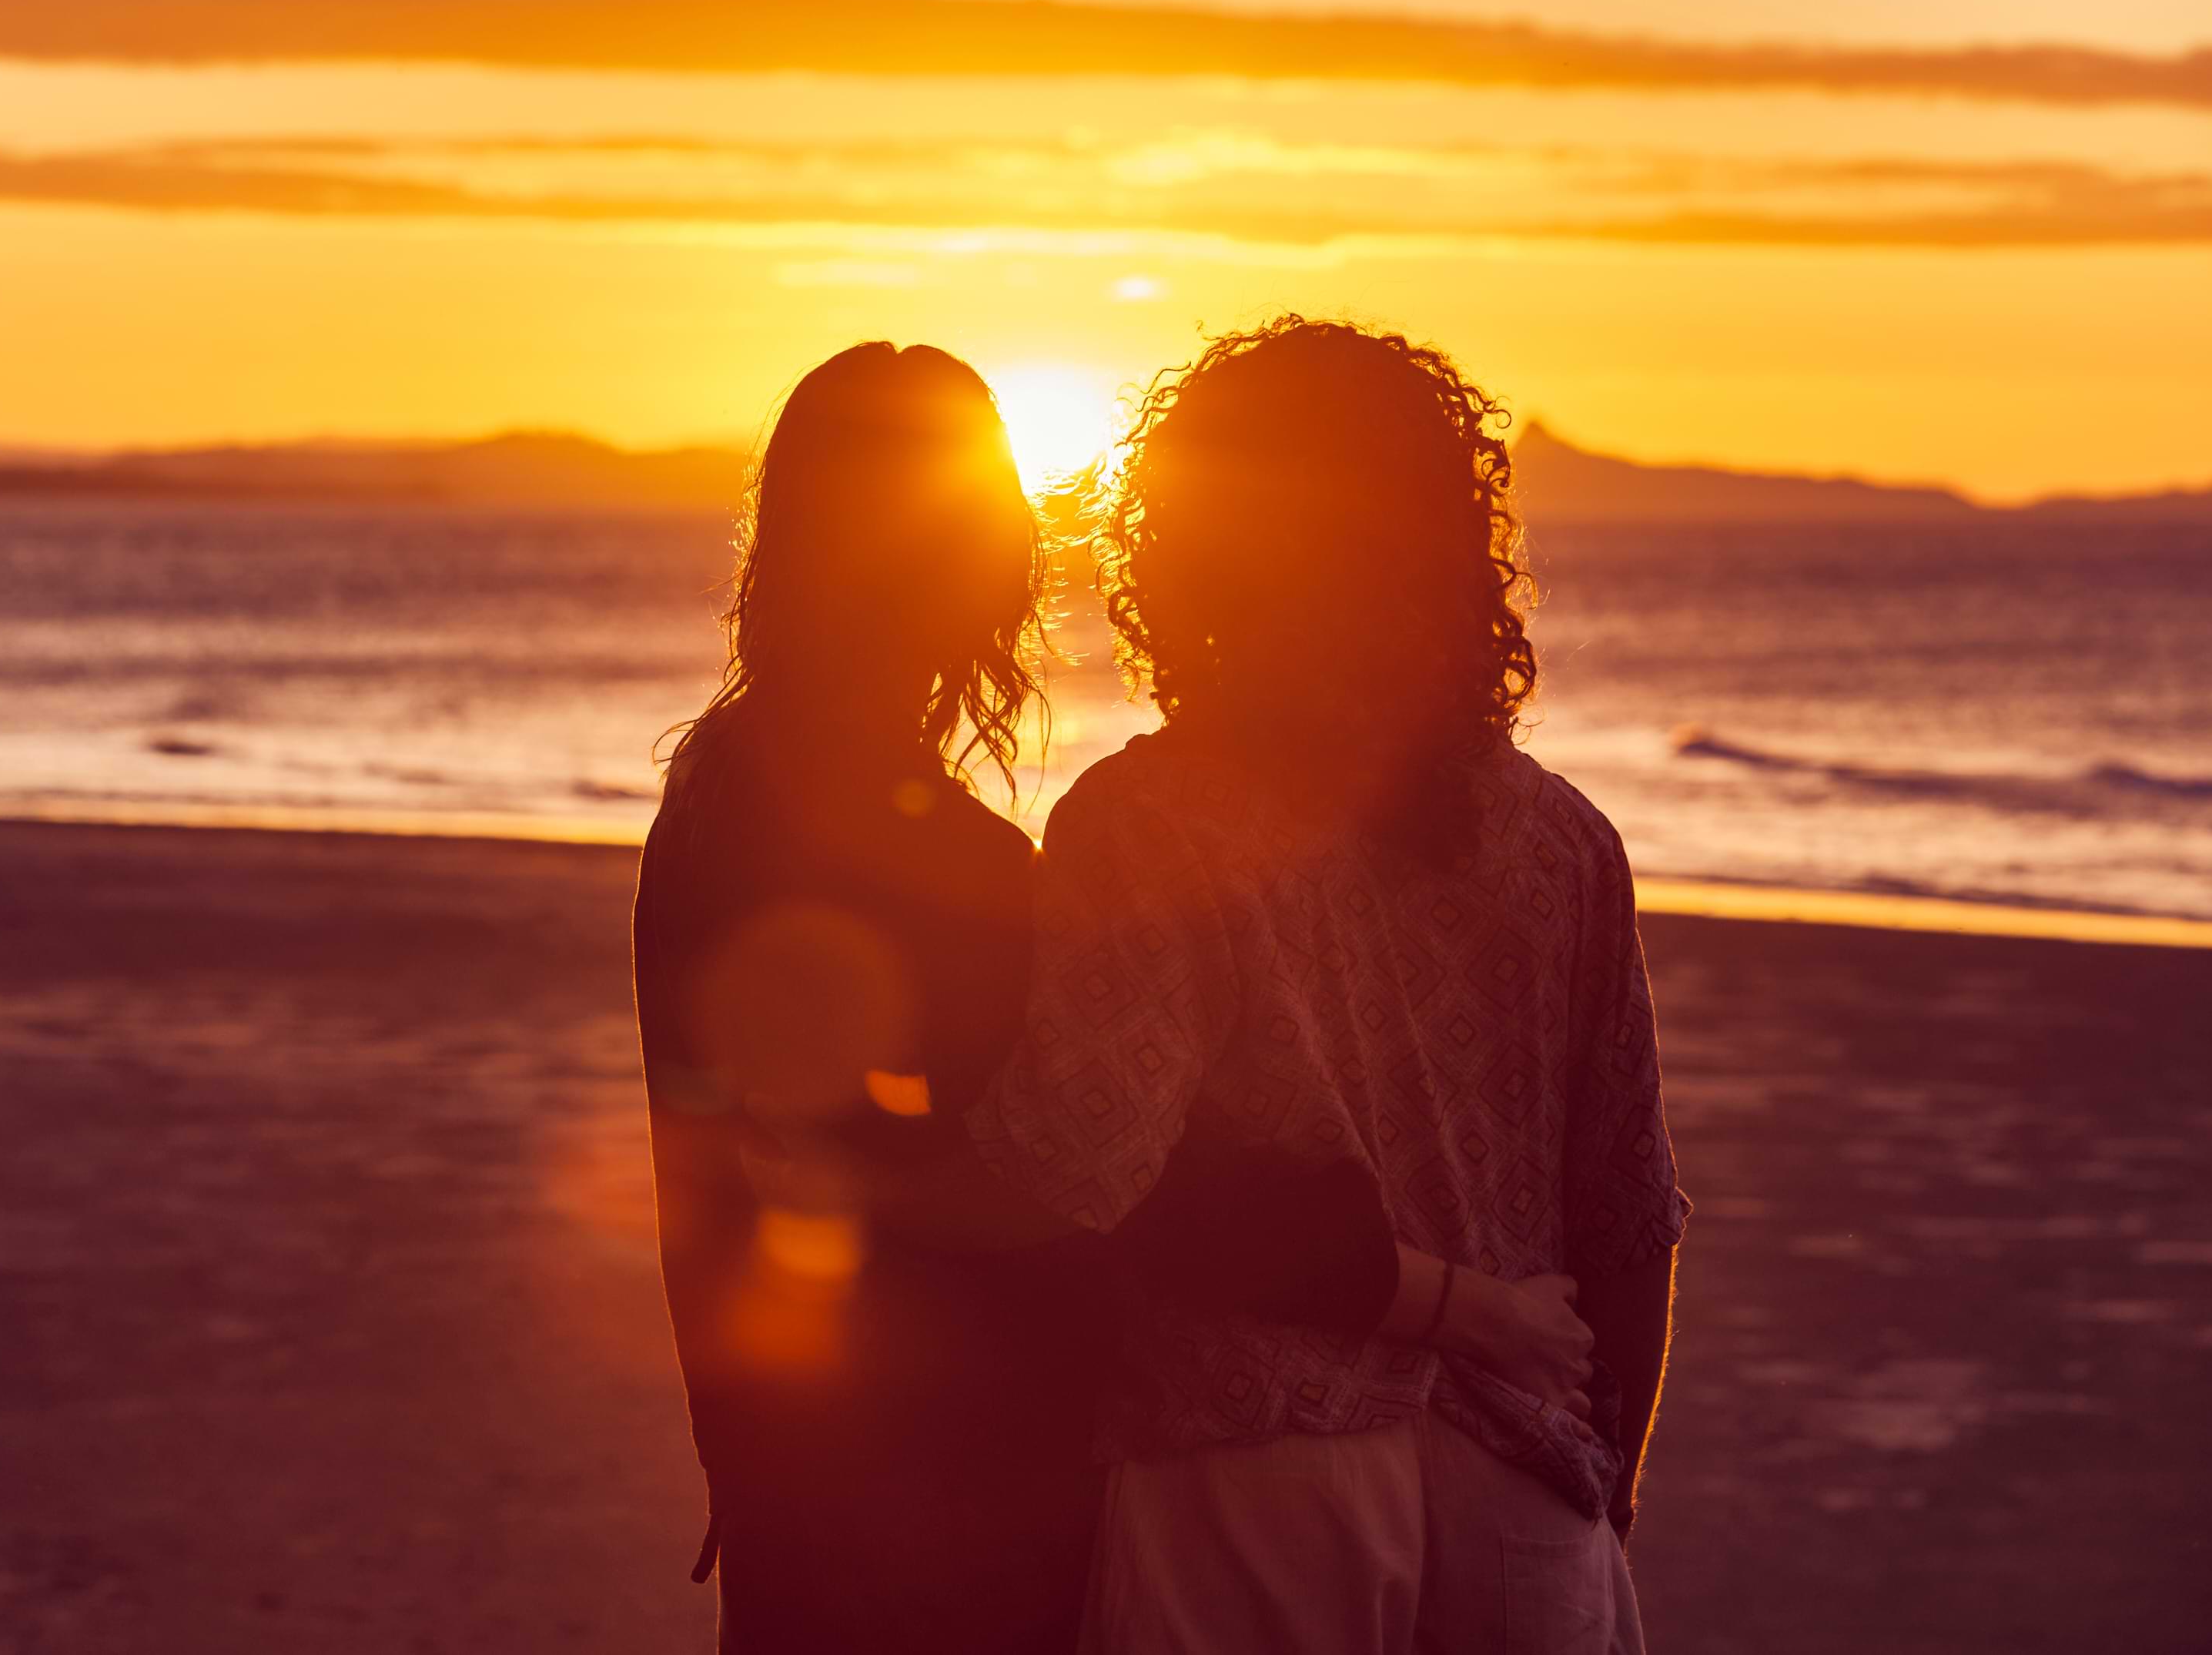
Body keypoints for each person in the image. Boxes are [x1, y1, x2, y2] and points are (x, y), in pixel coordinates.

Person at [633, 341, 1601, 1653]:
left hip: (803, 1443)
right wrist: (1451, 1301)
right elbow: (1080, 1177)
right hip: (938, 1467)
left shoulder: (729, 788)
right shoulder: (905, 847)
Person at [970, 317, 1688, 1653]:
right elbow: (1631, 1215)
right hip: (1525, 1473)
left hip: (1250, 1462)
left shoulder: (1152, 822)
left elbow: (1071, 1178)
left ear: (1187, 552)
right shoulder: (1562, 840)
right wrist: (1605, 1489)